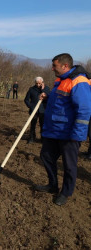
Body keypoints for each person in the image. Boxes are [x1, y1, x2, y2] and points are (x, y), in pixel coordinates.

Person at [34, 53, 91, 206]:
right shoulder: (60, 80)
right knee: (46, 156)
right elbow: (61, 99)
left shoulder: (79, 81)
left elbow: (84, 109)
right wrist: (48, 97)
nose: (52, 69)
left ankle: (65, 192)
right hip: (54, 130)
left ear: (65, 66)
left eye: (55, 66)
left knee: (69, 165)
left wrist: (78, 134)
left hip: (69, 133)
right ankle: (52, 185)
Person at [24, 76, 51, 143]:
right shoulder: (31, 89)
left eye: (39, 83)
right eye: (36, 83)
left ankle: (43, 138)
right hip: (33, 110)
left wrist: (42, 89)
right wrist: (30, 106)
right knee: (33, 125)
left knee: (43, 125)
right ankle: (32, 138)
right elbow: (26, 100)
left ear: (42, 83)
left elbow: (48, 97)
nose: (38, 85)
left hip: (43, 110)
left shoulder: (47, 89)